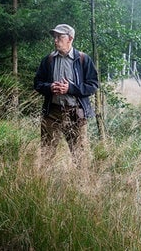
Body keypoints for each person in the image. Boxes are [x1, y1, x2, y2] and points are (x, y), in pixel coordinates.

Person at [33, 24, 99, 165]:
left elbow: (93, 86)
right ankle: (42, 184)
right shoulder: (48, 60)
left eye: (59, 37)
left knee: (80, 156)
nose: (55, 40)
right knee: (46, 153)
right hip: (52, 112)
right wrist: (50, 87)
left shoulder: (83, 59)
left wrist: (70, 88)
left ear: (70, 38)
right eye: (54, 37)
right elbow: (37, 83)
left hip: (76, 113)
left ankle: (81, 185)